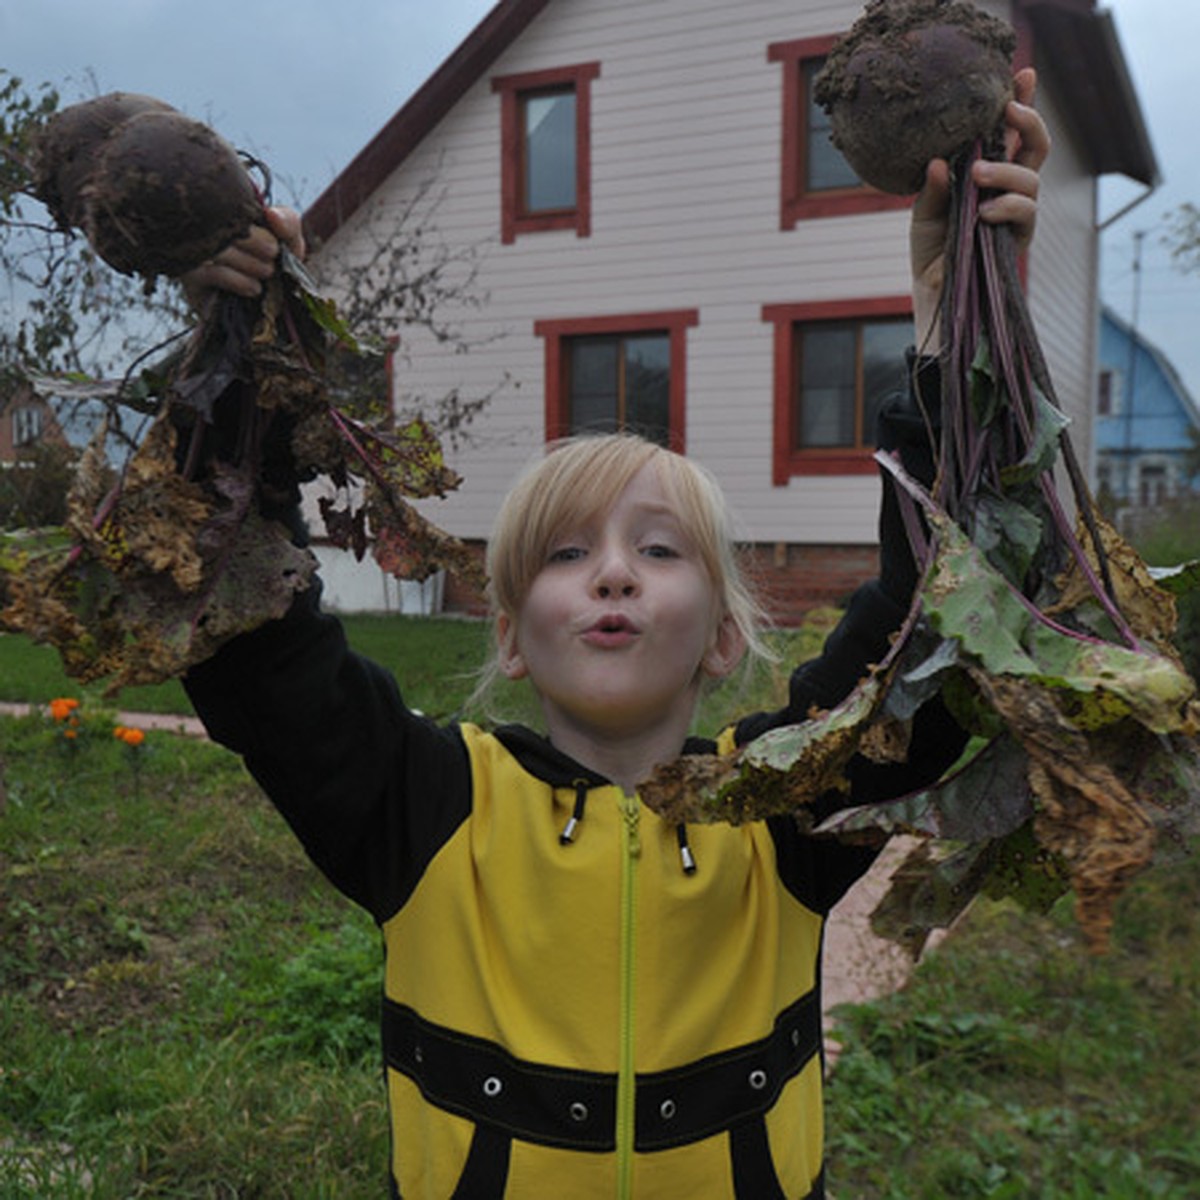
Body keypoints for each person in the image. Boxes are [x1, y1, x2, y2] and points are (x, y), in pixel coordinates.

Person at [182, 70, 1047, 1200]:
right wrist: (237, 354)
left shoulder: (786, 806)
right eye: (565, 553)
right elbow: (256, 649)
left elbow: (940, 621)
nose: (612, 577)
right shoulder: (422, 808)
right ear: (508, 636)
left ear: (724, 639)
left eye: (658, 549)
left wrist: (958, 316)